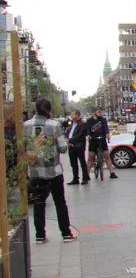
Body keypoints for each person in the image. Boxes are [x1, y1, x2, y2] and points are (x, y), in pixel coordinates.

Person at [25, 99, 77, 244]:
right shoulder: (54, 125)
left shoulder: (25, 125)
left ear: (35, 109)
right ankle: (66, 233)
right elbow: (62, 148)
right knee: (60, 202)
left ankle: (40, 236)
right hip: (53, 171)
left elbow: (23, 147)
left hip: (35, 171)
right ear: (49, 110)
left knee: (38, 203)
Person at [85, 107, 118, 179]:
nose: (101, 113)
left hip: (102, 139)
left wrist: (107, 134)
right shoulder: (89, 121)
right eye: (99, 112)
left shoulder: (103, 120)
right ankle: (86, 175)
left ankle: (112, 172)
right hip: (93, 139)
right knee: (91, 157)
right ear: (94, 112)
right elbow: (87, 129)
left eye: (101, 112)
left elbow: (106, 128)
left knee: (106, 155)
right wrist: (88, 135)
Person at [65, 109, 88, 186]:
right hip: (71, 146)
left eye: (73, 114)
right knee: (73, 163)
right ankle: (75, 178)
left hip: (79, 145)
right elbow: (68, 132)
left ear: (77, 115)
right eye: (71, 114)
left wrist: (69, 140)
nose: (71, 116)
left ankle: (85, 178)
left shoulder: (82, 124)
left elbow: (80, 135)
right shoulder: (71, 123)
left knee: (82, 162)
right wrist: (68, 140)